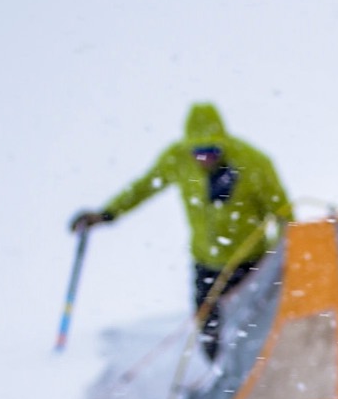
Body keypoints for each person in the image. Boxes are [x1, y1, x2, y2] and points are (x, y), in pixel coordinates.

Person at [71, 103, 292, 361]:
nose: (205, 158)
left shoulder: (253, 163)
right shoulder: (176, 159)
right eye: (198, 151)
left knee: (255, 330)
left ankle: (253, 382)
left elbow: (283, 214)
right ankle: (219, 381)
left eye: (213, 150)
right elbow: (143, 188)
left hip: (251, 263)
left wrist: (280, 259)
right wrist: (107, 214)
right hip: (205, 263)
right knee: (208, 328)